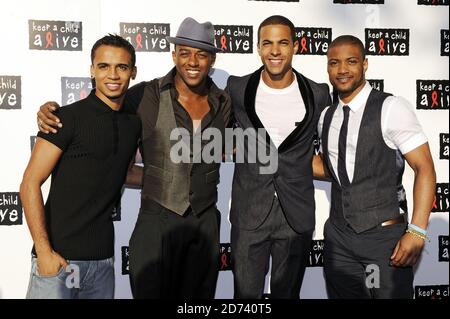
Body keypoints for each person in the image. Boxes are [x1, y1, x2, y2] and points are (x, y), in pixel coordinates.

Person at [37, 17, 231, 299]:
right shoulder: (143, 95)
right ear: (174, 54)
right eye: (185, 52)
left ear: (211, 59)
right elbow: (97, 105)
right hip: (156, 221)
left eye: (201, 54)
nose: (193, 61)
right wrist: (51, 110)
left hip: (204, 225)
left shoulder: (225, 102)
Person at [315, 35, 436, 298]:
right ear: (327, 67)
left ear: (365, 64)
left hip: (383, 241)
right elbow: (331, 167)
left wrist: (416, 232)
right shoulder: (326, 116)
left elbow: (424, 168)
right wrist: (274, 155)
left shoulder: (391, 107)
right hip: (338, 239)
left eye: (351, 61)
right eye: (334, 63)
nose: (342, 70)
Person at [21, 34, 140, 299]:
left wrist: (179, 176)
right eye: (104, 66)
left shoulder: (133, 124)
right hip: (58, 261)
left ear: (133, 72)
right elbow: (29, 182)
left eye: (121, 67)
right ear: (92, 70)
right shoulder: (64, 118)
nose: (113, 75)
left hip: (102, 264)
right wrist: (44, 252)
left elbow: (127, 172)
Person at [225, 15, 331, 299]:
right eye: (267, 43)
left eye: (283, 43)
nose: (275, 51)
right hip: (249, 213)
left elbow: (330, 149)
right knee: (245, 298)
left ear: (295, 46)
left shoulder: (318, 93)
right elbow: (219, 138)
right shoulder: (237, 88)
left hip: (296, 214)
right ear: (258, 48)